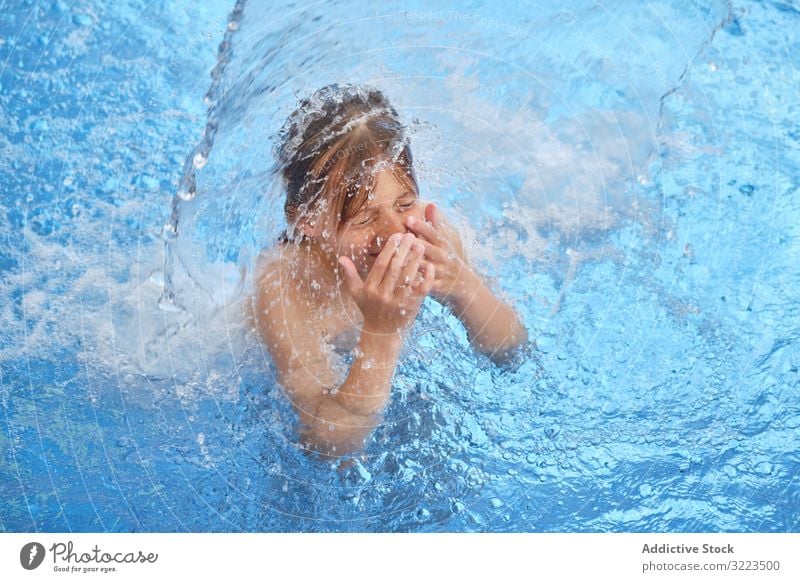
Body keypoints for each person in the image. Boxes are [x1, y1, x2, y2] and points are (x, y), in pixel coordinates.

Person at [255, 84, 528, 459]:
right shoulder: (286, 284)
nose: (393, 232)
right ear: (307, 219)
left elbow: (512, 350)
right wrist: (382, 332)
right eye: (365, 218)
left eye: (403, 204)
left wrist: (463, 285)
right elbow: (326, 443)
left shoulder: (433, 237)